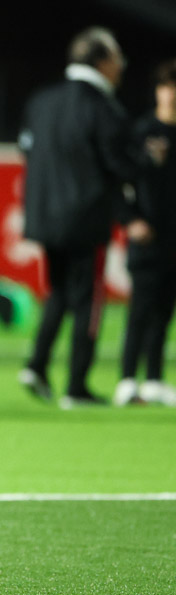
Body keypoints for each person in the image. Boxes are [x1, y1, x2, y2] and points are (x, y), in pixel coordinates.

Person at [16, 26, 150, 409]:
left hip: (44, 214)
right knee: (89, 301)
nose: (121, 67)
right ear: (102, 61)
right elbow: (119, 164)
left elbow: (25, 149)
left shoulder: (42, 100)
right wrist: (147, 164)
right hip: (86, 217)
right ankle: (77, 385)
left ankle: (37, 365)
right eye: (116, 58)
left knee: (58, 291)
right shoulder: (102, 107)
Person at [114, 59, 176, 407]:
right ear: (158, 91)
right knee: (140, 308)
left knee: (164, 311)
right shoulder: (142, 133)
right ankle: (126, 379)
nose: (171, 94)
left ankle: (153, 379)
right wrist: (130, 219)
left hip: (174, 239)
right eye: (166, 86)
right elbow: (118, 184)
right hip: (146, 237)